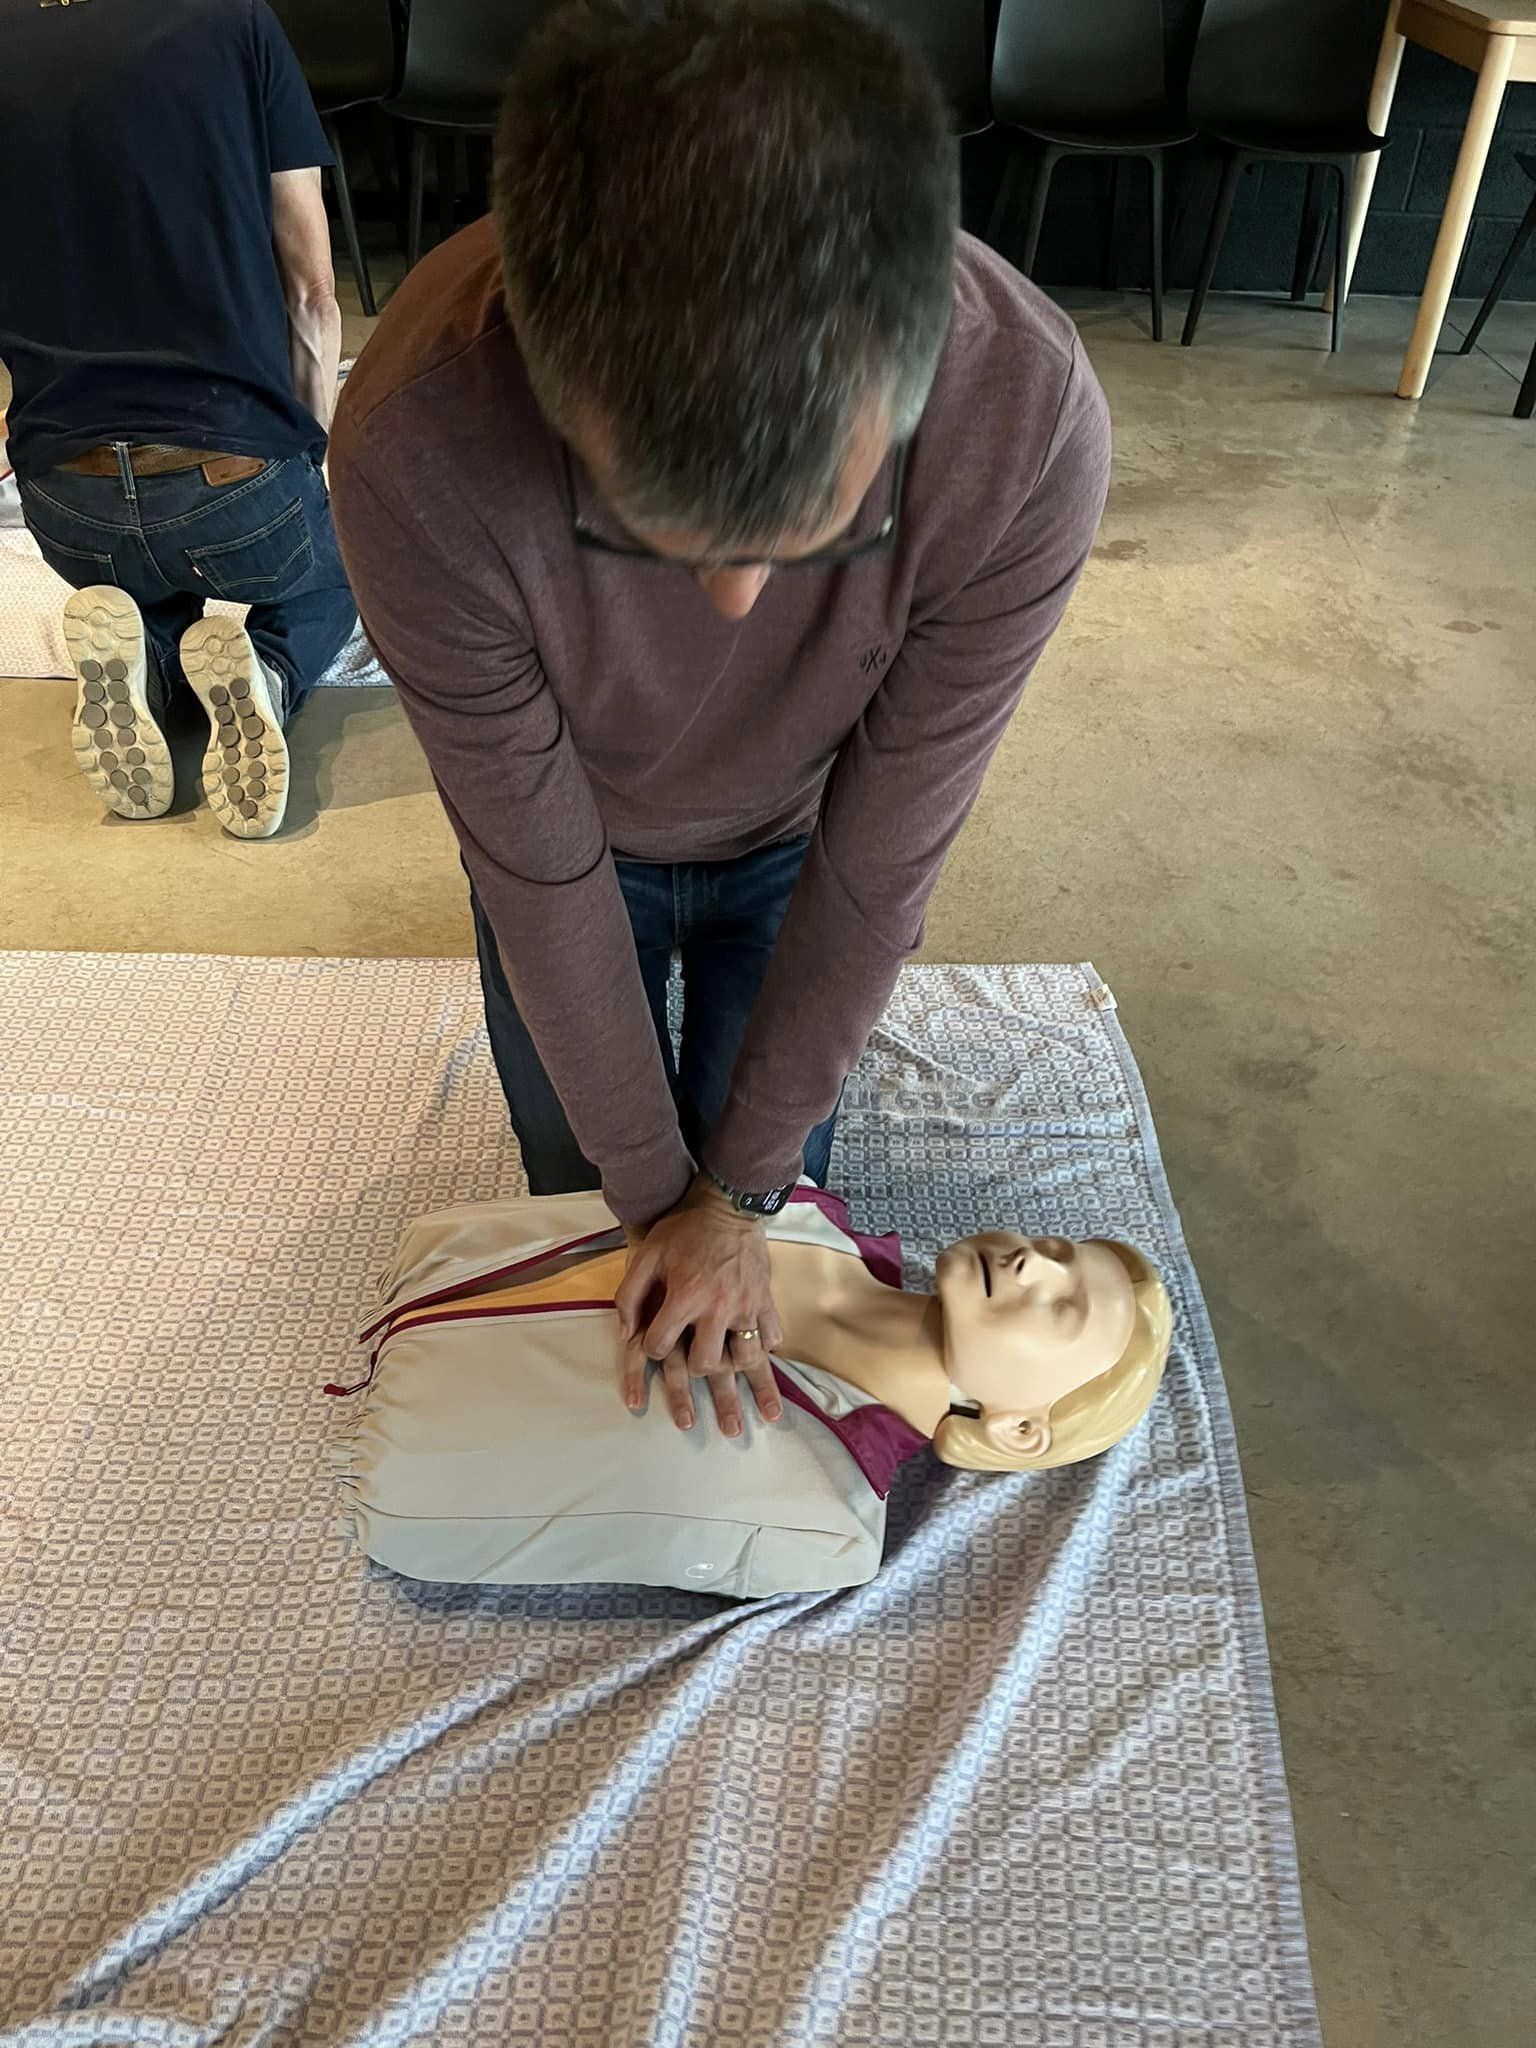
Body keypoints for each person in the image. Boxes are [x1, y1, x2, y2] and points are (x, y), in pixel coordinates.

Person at [329, 1, 1111, 1418]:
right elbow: (540, 873)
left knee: (774, 1202)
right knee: (593, 1216)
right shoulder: (414, 439)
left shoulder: (1027, 424)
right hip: (572, 835)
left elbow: (880, 859)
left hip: (804, 836)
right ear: (549, 388)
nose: (740, 607)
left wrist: (742, 1194)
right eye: (653, 538)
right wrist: (654, 1201)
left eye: (819, 540)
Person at [337, 1188, 1172, 1598]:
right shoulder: (801, 1210)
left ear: (1020, 1432)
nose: (1034, 1263)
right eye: (1057, 1248)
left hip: (401, 1468)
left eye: (1063, 1307)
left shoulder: (823, 1524)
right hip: (428, 1266)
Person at [1, 0, 358, 839]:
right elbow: (313, 295)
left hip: (67, 497)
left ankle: (154, 662)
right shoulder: (240, 26)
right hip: (228, 480)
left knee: (140, 573)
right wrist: (309, 464)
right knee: (338, 565)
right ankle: (266, 670)